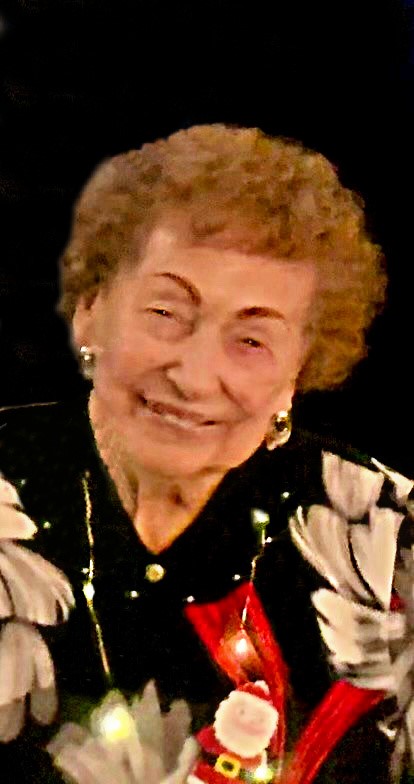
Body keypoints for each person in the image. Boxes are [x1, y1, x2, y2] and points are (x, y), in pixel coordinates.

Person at [0, 123, 412, 784]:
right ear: (91, 311)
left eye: (252, 341)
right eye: (166, 313)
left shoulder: (388, 538)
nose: (194, 377)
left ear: (299, 368)